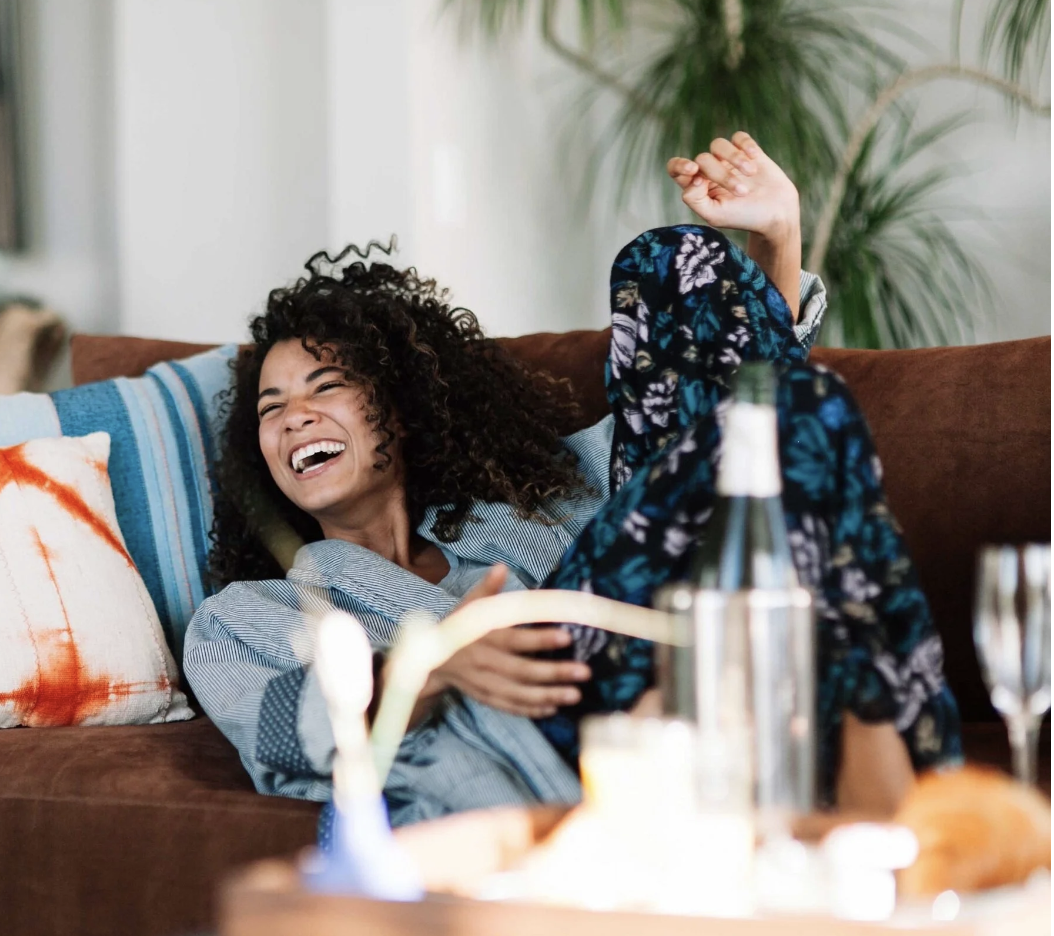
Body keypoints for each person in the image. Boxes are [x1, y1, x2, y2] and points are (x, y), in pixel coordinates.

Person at [183, 132, 961, 831]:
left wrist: (777, 241)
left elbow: (715, 426)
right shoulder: (245, 614)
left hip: (670, 648)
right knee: (805, 407)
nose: (293, 418)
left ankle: (866, 782)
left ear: (400, 408)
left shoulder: (526, 499)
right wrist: (434, 662)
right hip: (528, 746)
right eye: (271, 407)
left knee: (667, 263)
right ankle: (903, 785)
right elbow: (279, 732)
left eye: (325, 388)